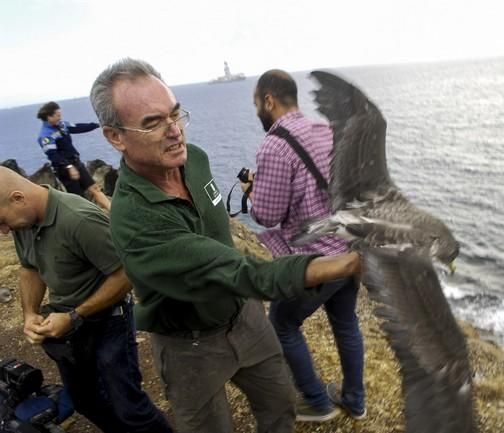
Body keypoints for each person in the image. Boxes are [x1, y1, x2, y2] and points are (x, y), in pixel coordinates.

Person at [89, 58, 361, 433]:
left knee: (280, 404)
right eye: (153, 122)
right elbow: (238, 270)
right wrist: (347, 262)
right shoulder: (135, 221)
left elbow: (225, 241)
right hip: (190, 345)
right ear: (115, 136)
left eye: (175, 114)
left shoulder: (194, 159)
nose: (174, 132)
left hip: (246, 316)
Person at [0, 166, 172, 433]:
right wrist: (30, 314)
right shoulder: (25, 220)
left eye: (2, 221)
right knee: (84, 400)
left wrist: (75, 315)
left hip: (108, 321)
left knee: (129, 406)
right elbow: (29, 268)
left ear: (18, 198)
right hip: (68, 325)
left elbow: (126, 273)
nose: (4, 231)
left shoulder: (79, 219)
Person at [241, 70, 365, 422]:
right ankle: (355, 399)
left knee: (281, 323)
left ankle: (316, 401)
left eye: (256, 104)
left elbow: (267, 214)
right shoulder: (325, 131)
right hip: (347, 248)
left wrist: (253, 191)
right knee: (345, 323)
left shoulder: (275, 145)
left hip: (314, 260)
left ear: (269, 100)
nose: (257, 112)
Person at [36, 101, 111, 211]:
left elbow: (78, 127)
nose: (60, 117)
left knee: (94, 188)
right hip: (64, 169)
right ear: (49, 117)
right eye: (57, 115)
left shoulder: (62, 125)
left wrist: (97, 125)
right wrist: (69, 167)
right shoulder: (45, 135)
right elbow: (53, 155)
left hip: (76, 163)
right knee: (79, 198)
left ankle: (112, 211)